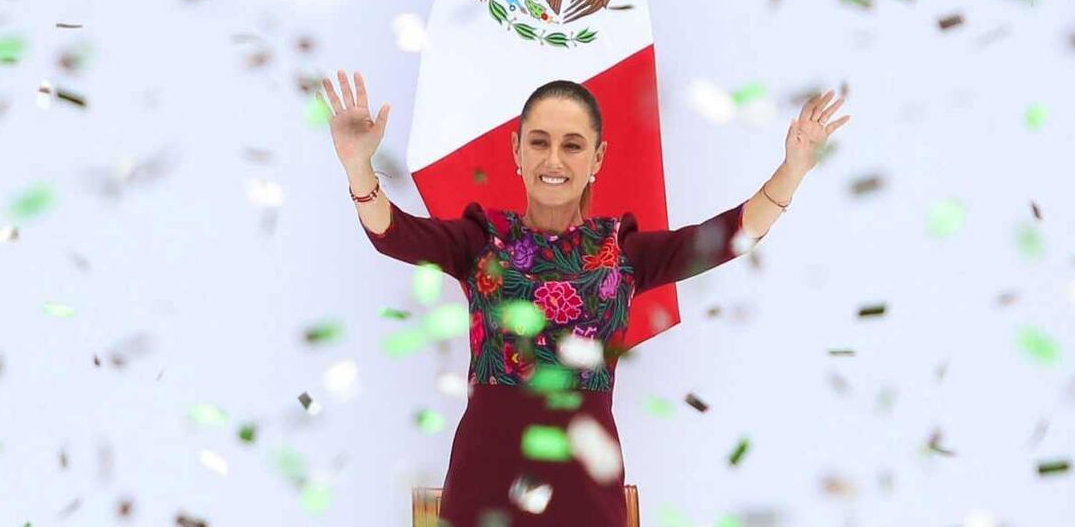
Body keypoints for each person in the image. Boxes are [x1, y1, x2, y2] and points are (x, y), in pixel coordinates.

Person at [319, 70, 849, 527]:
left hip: (585, 500)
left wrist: (794, 168)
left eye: (572, 144)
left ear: (597, 158)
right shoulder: (482, 239)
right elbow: (393, 233)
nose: (555, 158)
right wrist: (357, 167)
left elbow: (728, 236)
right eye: (539, 141)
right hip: (485, 493)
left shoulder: (623, 251)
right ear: (516, 152)